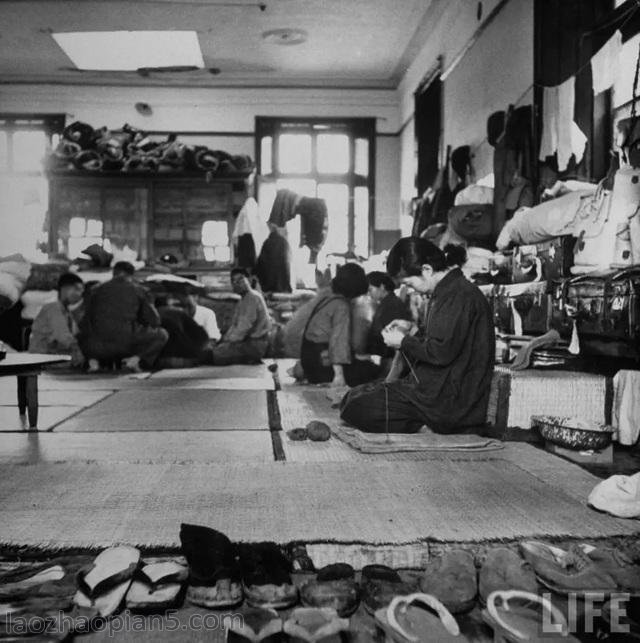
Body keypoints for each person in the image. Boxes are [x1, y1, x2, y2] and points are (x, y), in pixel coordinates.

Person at [340, 238, 495, 434]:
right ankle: (419, 419)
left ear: (427, 270)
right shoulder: (447, 291)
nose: (411, 289)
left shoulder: (458, 295)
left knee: (358, 407)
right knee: (353, 396)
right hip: (434, 388)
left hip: (448, 401)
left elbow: (440, 353)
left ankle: (428, 425)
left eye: (409, 283)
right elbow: (442, 339)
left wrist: (402, 341)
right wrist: (412, 329)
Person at [298, 262, 379, 387]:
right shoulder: (342, 306)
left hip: (311, 364)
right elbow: (338, 341)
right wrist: (339, 376)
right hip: (323, 368)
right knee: (371, 371)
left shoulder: (328, 300)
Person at [79, 261, 168, 372]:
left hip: (96, 347)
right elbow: (155, 321)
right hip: (127, 344)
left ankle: (93, 362)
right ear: (131, 274)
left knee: (81, 335)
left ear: (114, 273)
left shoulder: (95, 290)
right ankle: (134, 360)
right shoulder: (139, 290)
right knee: (162, 334)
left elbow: (83, 321)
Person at [211, 268, 272, 365]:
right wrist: (223, 340)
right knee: (214, 351)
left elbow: (244, 327)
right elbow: (234, 326)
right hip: (245, 343)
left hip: (255, 345)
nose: (236, 284)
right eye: (233, 281)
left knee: (215, 355)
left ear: (250, 280)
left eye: (240, 280)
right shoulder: (242, 301)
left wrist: (227, 342)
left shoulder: (253, 297)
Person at [28, 272, 85, 367]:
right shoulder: (52, 308)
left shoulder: (67, 312)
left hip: (55, 358)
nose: (79, 294)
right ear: (64, 288)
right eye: (76, 289)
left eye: (81, 290)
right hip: (44, 360)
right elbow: (64, 338)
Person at [366, 271, 411, 366]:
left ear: (382, 287)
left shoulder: (391, 305)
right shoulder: (388, 303)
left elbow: (395, 338)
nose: (369, 293)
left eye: (370, 289)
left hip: (388, 361)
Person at [156, 296, 211, 368]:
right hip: (186, 356)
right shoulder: (178, 312)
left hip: (160, 358)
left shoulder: (151, 314)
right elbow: (202, 336)